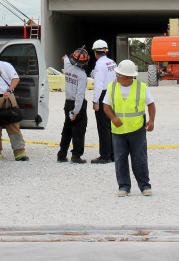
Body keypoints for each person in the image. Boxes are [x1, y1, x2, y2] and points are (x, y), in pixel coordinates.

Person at [102, 59, 155, 196]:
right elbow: (106, 106)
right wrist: (113, 118)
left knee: (140, 158)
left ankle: (144, 186)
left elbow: (151, 104)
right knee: (120, 159)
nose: (117, 76)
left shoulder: (141, 87)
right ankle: (124, 186)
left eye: (119, 74)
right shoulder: (112, 87)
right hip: (118, 131)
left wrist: (152, 121)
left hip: (137, 129)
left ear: (127, 77)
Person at [0, 45, 29, 162]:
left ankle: (20, 153)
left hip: (7, 99)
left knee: (13, 126)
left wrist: (9, 90)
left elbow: (15, 79)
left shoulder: (6, 66)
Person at [58, 47, 90, 163]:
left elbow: (65, 58)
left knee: (67, 128)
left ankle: (62, 154)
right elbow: (80, 95)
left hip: (68, 103)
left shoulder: (68, 67)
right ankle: (76, 155)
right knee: (78, 130)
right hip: (77, 105)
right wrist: (76, 111)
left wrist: (66, 57)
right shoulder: (81, 75)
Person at [90, 39, 117, 164]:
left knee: (103, 127)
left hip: (103, 95)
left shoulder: (99, 65)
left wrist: (95, 101)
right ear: (105, 51)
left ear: (95, 52)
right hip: (113, 94)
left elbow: (98, 84)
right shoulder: (112, 63)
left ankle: (105, 155)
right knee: (111, 126)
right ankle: (113, 154)